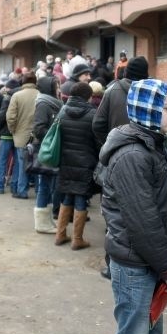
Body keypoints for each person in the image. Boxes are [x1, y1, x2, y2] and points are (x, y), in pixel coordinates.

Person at [99, 78, 167, 334]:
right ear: (147, 111)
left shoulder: (155, 144)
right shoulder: (133, 154)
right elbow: (143, 221)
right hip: (134, 264)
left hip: (151, 259)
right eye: (166, 109)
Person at [92, 55, 149, 279]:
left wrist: (108, 146)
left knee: (113, 214)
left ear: (125, 73)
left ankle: (112, 265)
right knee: (143, 210)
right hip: (145, 159)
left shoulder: (113, 91)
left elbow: (97, 124)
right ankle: (140, 263)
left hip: (114, 160)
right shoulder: (151, 92)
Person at [54, 81, 99, 250]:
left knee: (66, 196)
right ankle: (77, 239)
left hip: (66, 161)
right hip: (85, 163)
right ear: (88, 96)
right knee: (81, 197)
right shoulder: (93, 113)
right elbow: (97, 141)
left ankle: (60, 234)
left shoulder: (62, 111)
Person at [31, 75, 63, 233]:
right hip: (46, 149)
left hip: (51, 149)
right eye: (56, 86)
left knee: (49, 184)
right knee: (44, 184)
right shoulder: (44, 104)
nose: (59, 88)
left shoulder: (54, 103)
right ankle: (42, 223)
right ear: (49, 87)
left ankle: (47, 220)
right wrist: (54, 133)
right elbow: (38, 128)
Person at [6, 71, 39, 199]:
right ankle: (39, 191)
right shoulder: (41, 95)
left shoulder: (17, 96)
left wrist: (13, 130)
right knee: (37, 164)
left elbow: (10, 117)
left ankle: (22, 191)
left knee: (21, 164)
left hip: (20, 135)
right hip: (37, 135)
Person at [0, 78, 22, 195]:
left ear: (8, 88)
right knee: (18, 162)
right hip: (18, 133)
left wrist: (0, 128)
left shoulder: (7, 98)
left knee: (2, 160)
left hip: (6, 133)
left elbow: (1, 115)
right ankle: (14, 187)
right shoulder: (22, 97)